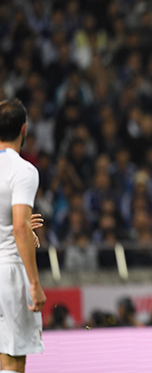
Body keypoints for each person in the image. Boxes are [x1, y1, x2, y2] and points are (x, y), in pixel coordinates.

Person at [0, 99, 46, 373]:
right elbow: (19, 227)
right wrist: (34, 283)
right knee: (13, 360)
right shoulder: (23, 171)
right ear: (24, 129)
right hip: (9, 271)